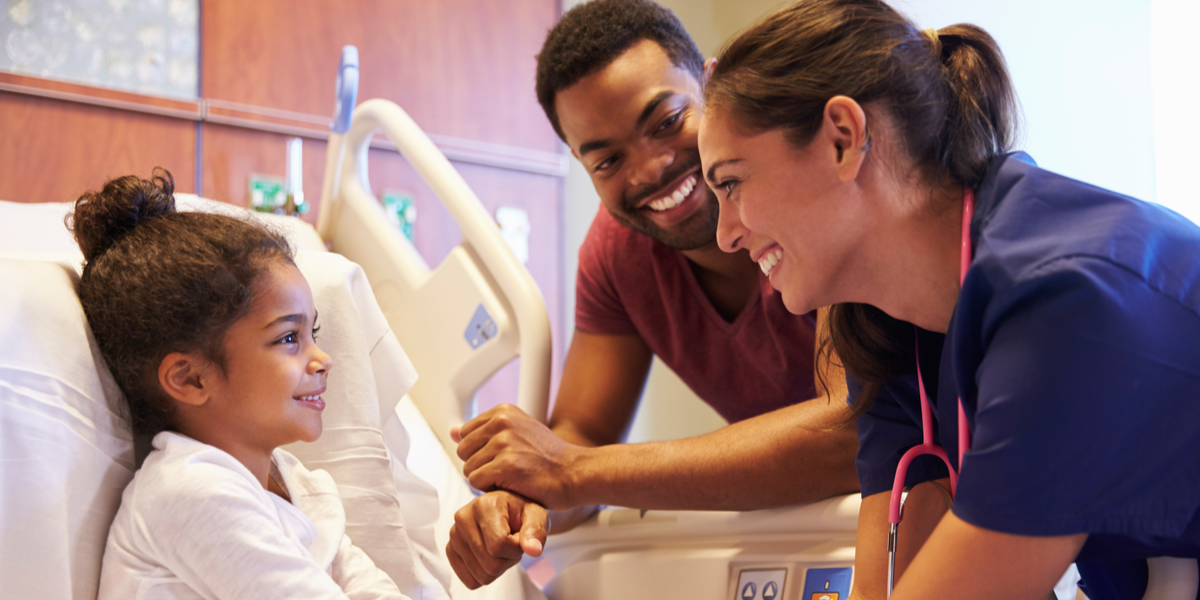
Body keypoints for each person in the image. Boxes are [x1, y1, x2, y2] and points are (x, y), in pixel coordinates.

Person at [698, 1, 1200, 599]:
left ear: (841, 139)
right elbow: (885, 586)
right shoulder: (895, 325)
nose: (725, 233)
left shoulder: (1063, 301)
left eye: (731, 182)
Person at [445, 0, 861, 589]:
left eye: (667, 121)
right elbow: (581, 432)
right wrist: (524, 500)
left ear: (713, 84)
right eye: (608, 159)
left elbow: (851, 430)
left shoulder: (816, 191)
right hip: (815, 535)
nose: (651, 169)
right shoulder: (618, 256)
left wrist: (573, 472)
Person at [74, 170, 411, 599]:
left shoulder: (290, 479)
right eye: (289, 338)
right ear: (191, 379)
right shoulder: (190, 493)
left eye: (314, 333)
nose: (323, 360)